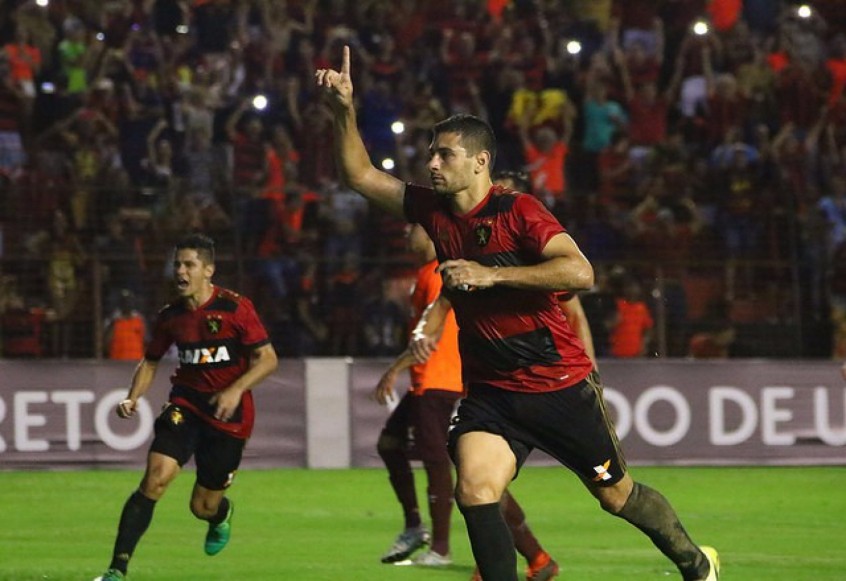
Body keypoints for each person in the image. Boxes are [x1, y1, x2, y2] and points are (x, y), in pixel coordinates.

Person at [316, 47, 719, 581]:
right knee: (475, 489)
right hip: (492, 394)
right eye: (431, 154)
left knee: (617, 496)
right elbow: (361, 176)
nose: (432, 163)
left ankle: (695, 563)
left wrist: (492, 274)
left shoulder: (518, 211)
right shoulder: (433, 211)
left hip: (558, 386)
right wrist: (343, 109)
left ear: (480, 161)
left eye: (446, 155)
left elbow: (580, 273)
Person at [94, 234, 279, 581]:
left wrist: (236, 390)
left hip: (229, 417)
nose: (180, 270)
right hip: (186, 404)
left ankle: (220, 515)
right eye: (177, 264)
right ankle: (116, 569)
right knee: (155, 478)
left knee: (202, 506)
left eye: (189, 264)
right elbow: (150, 362)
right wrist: (133, 397)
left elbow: (268, 360)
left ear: (208, 270)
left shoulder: (236, 309)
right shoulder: (171, 316)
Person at [372, 223, 464, 567]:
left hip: (439, 381)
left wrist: (395, 367)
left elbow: (429, 339)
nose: (406, 231)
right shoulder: (425, 274)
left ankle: (440, 548)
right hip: (425, 383)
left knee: (437, 461)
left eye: (413, 227)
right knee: (389, 444)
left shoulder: (438, 275)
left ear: (430, 234)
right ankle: (414, 526)